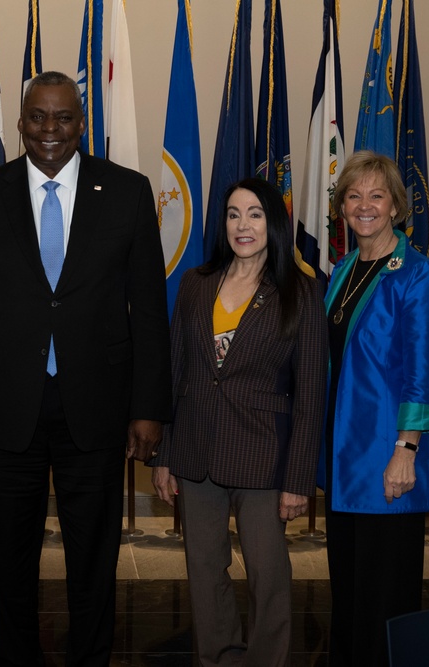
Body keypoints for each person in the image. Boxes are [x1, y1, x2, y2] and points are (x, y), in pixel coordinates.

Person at [0, 70, 172, 666]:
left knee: (93, 557)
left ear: (81, 123)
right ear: (20, 124)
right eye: (38, 118)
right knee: (7, 558)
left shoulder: (127, 191)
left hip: (96, 409)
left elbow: (148, 309)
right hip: (5, 409)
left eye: (63, 117)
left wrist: (148, 408)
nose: (50, 130)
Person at [150, 178, 328, 666]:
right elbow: (175, 374)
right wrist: (165, 456)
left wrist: (298, 480)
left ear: (273, 222)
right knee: (206, 572)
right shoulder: (195, 283)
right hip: (195, 453)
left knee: (268, 575)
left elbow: (311, 395)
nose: (242, 225)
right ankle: (217, 658)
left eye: (254, 213)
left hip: (264, 459)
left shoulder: (302, 293)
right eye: (232, 214)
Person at [321, 150, 429, 666]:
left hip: (387, 457)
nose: (364, 205)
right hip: (343, 456)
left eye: (377, 195)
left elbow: (424, 373)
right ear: (342, 208)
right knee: (348, 588)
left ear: (396, 205)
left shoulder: (416, 274)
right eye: (353, 196)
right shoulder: (344, 268)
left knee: (383, 596)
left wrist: (406, 449)